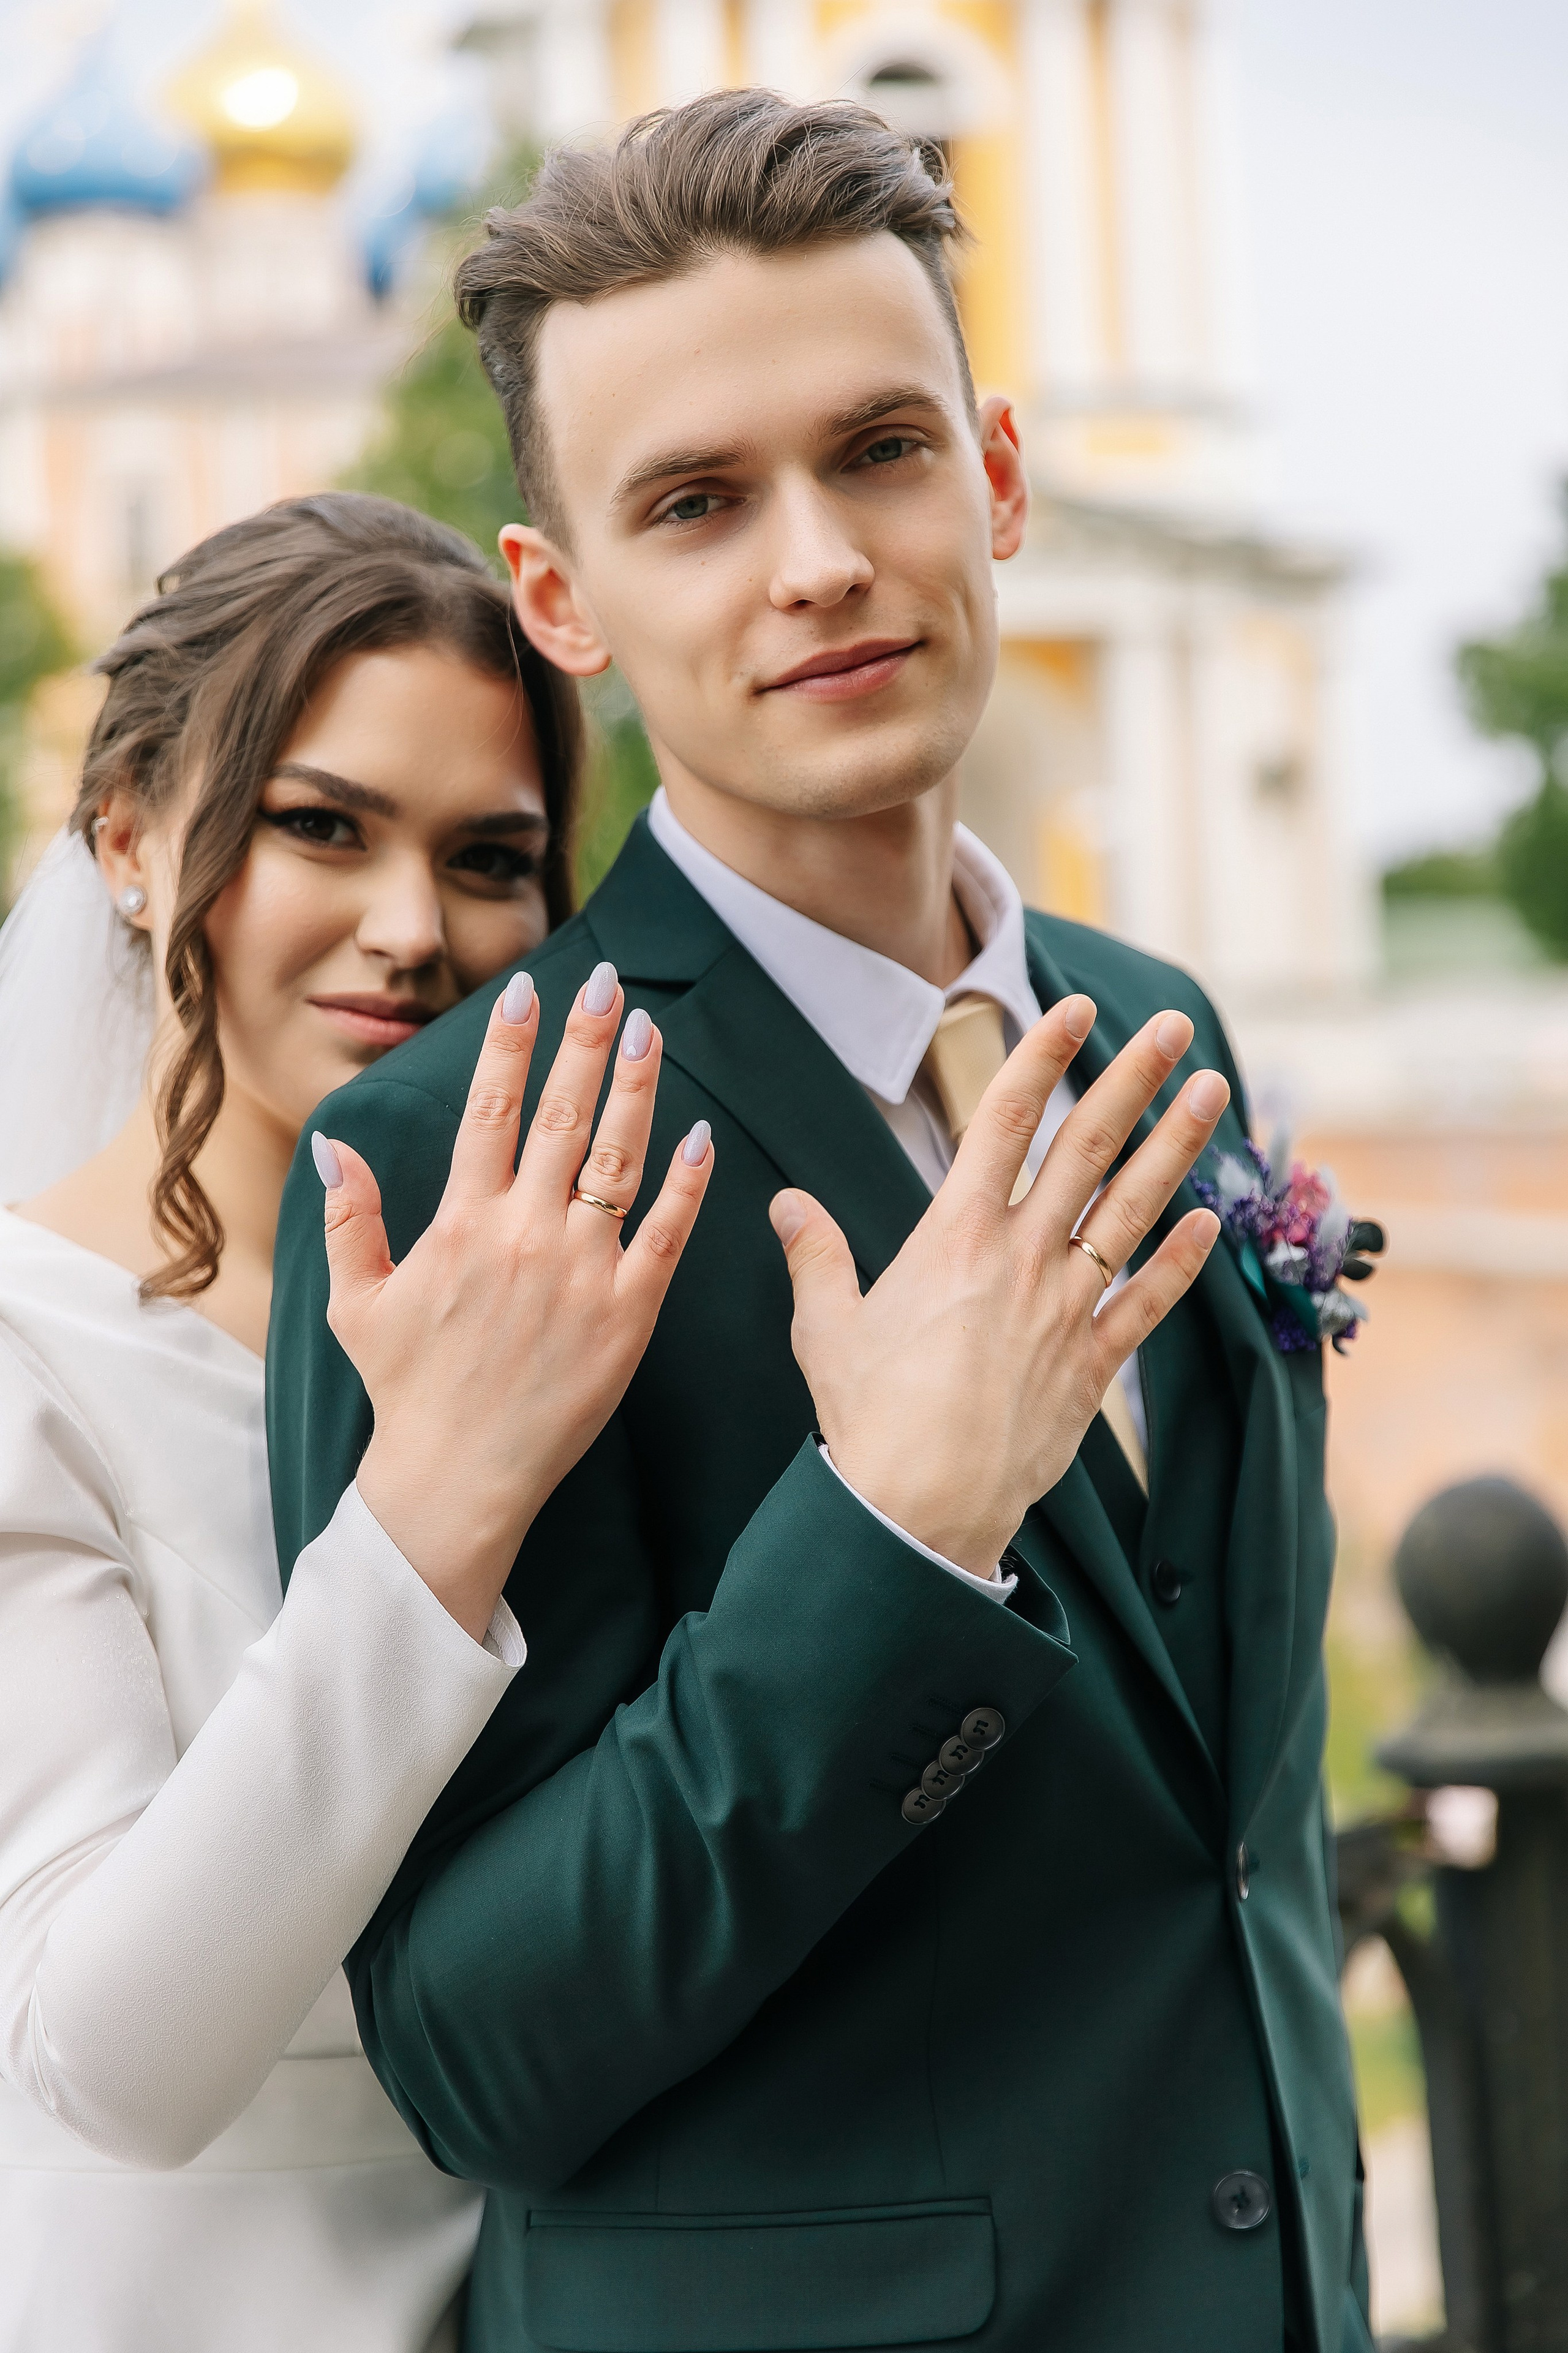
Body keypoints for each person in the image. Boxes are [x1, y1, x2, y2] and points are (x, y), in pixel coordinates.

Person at [268, 96, 1368, 2353]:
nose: (821, 560)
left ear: (1001, 477)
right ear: (562, 598)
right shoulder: (459, 1163)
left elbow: (1222, 1833)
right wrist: (890, 1536)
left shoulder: (1158, 1034)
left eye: (879, 450)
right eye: (695, 502)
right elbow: (483, 2055)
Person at [0, 491, 720, 2353]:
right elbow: (110, 2056)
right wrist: (437, 1499)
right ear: (134, 839)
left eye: (491, 859)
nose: (414, 931)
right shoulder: (28, 1349)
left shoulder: (581, 1305)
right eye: (323, 827)